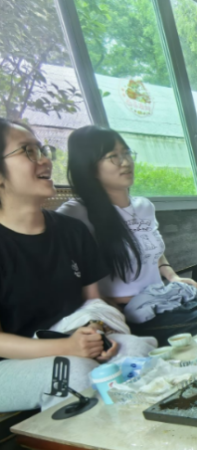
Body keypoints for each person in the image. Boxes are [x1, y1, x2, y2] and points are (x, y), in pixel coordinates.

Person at [0, 119, 153, 413]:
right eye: (28, 151)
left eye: (42, 150)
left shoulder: (71, 231)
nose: (44, 160)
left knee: (135, 351)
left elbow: (92, 303)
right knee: (74, 373)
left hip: (70, 338)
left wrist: (96, 334)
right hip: (10, 362)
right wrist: (66, 347)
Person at [58, 125, 197, 345]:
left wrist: (173, 277)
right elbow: (68, 274)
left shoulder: (144, 206)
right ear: (88, 165)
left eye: (127, 153)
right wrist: (104, 305)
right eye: (112, 156)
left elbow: (153, 250)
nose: (125, 162)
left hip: (162, 300)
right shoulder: (74, 214)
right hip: (128, 315)